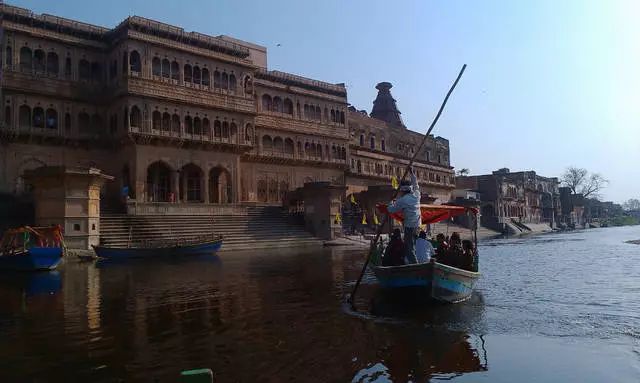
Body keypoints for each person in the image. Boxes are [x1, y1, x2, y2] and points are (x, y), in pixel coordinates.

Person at [387, 167, 421, 264]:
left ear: (402, 191)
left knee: (409, 248)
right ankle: (414, 264)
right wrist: (412, 173)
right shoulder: (417, 195)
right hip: (418, 226)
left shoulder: (403, 200)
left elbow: (390, 209)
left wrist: (390, 201)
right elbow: (416, 184)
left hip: (410, 227)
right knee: (412, 246)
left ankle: (415, 266)